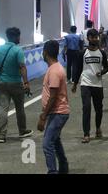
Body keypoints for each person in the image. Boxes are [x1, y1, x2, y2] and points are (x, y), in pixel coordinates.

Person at [37, 40, 70, 174]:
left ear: (45, 53)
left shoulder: (55, 71)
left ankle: (52, 171)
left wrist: (43, 116)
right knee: (55, 141)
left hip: (58, 112)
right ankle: (63, 167)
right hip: (57, 112)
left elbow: (53, 96)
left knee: (47, 144)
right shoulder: (55, 68)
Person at [0, 27, 33, 143]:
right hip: (16, 83)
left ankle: (2, 135)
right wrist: (26, 82)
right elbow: (22, 67)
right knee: (19, 108)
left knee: (3, 108)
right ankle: (22, 131)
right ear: (16, 37)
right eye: (19, 36)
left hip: (2, 83)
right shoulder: (18, 50)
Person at [72, 29, 108, 143]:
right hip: (85, 84)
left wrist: (101, 72)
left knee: (99, 109)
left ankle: (98, 128)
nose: (94, 39)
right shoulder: (82, 53)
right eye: (92, 37)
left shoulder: (102, 53)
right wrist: (75, 84)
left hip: (97, 85)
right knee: (86, 108)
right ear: (88, 39)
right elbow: (78, 69)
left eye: (96, 37)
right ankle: (86, 134)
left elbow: (106, 67)